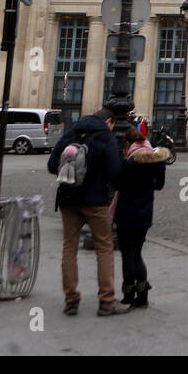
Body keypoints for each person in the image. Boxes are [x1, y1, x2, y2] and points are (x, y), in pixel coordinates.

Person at [47, 108, 129, 317]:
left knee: (69, 248)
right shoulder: (106, 138)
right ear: (109, 121)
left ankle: (71, 299)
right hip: (95, 201)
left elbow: (51, 165)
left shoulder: (71, 134)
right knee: (104, 247)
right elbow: (114, 173)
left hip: (68, 199)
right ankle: (106, 300)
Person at [115, 124, 169, 308]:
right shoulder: (157, 162)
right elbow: (159, 185)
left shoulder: (129, 164)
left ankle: (128, 295)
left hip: (126, 213)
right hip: (145, 213)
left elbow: (116, 185)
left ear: (129, 143)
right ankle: (143, 295)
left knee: (128, 255)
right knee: (137, 253)